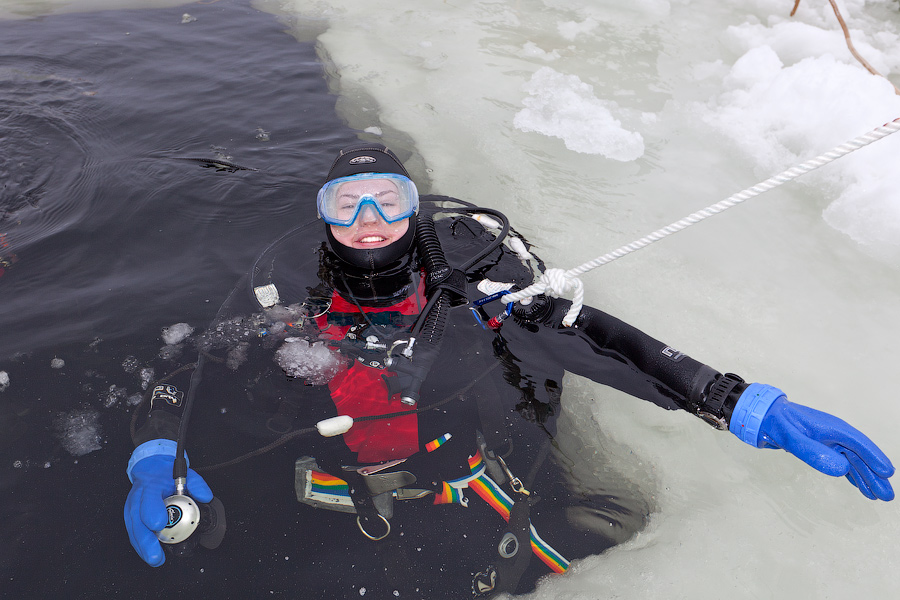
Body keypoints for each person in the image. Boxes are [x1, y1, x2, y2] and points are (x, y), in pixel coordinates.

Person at [124, 143, 894, 598]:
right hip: (330, 508)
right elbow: (181, 357)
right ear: (323, 215)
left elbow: (598, 340)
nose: (368, 224)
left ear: (415, 211)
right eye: (347, 204)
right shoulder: (291, 313)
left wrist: (737, 402)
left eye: (386, 202)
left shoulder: (480, 303)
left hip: (478, 501)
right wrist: (156, 453)